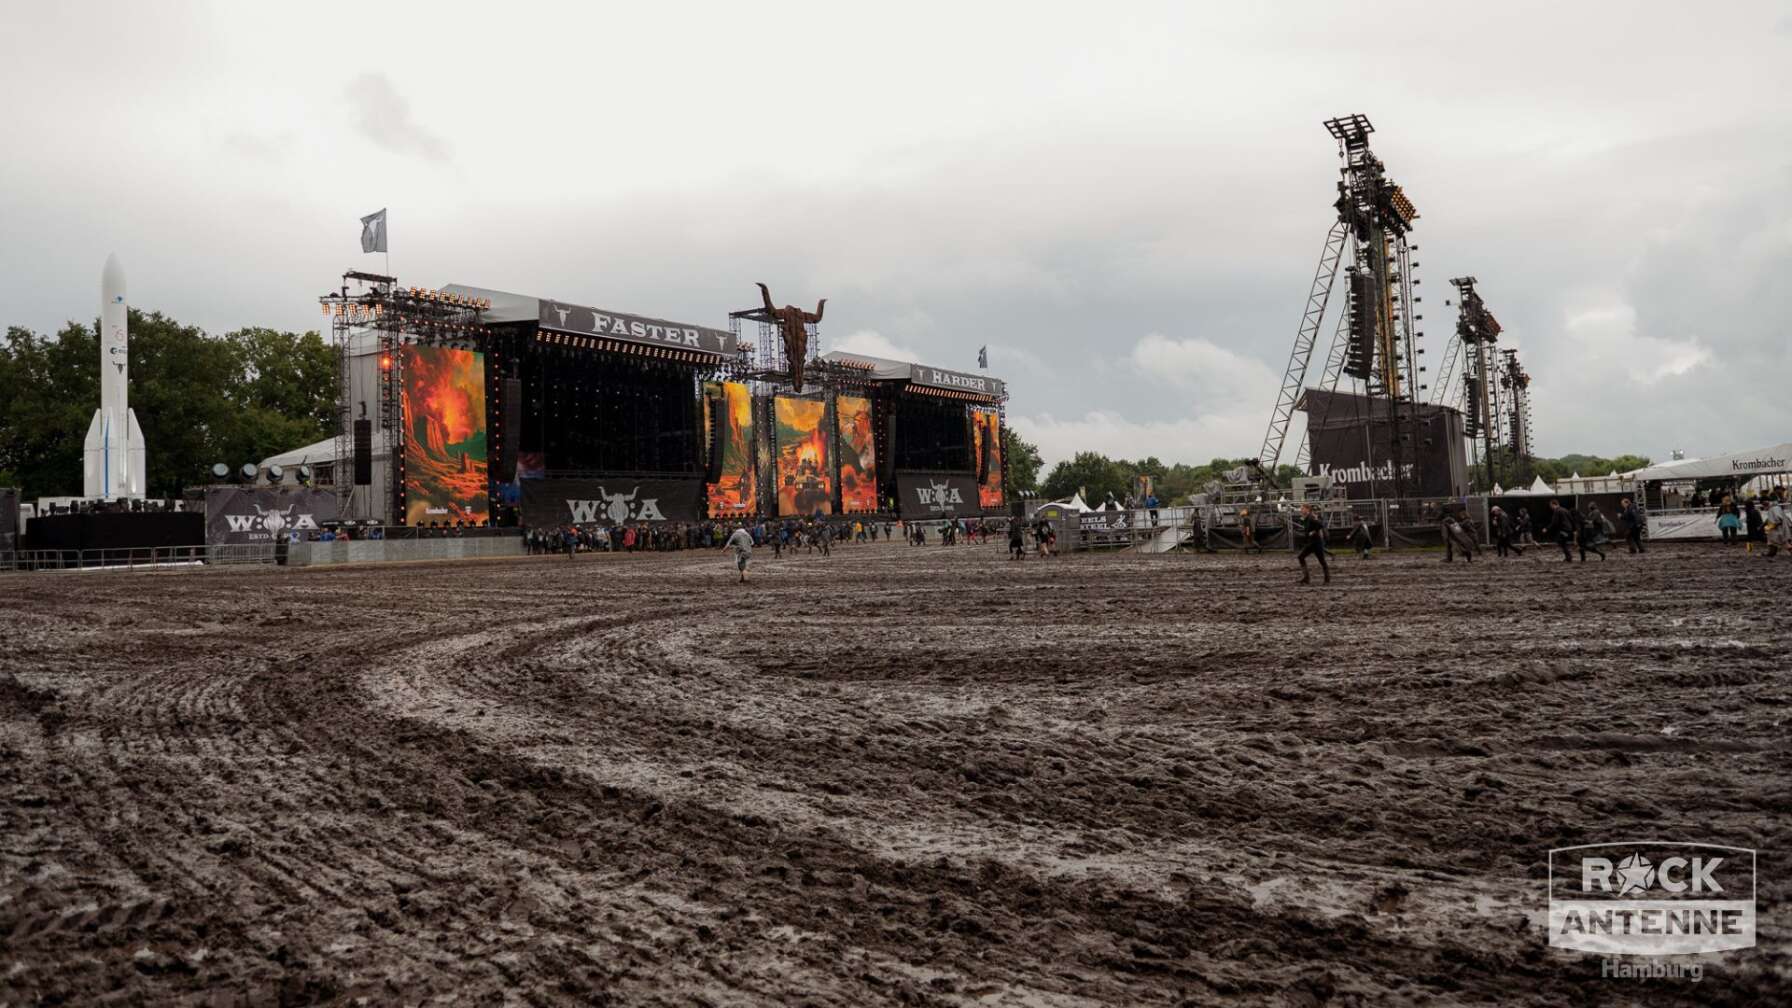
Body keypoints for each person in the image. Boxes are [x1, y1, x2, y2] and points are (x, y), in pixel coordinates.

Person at [1294, 503, 1329, 584]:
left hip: (1316, 543)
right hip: (1311, 543)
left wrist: (1313, 532)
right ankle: (1306, 578)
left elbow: (1321, 525)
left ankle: (1327, 579)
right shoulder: (1307, 518)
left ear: (1307, 509)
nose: (1301, 510)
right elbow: (1308, 529)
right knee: (1301, 557)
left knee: (1322, 561)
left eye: (1302, 509)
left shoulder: (1311, 517)